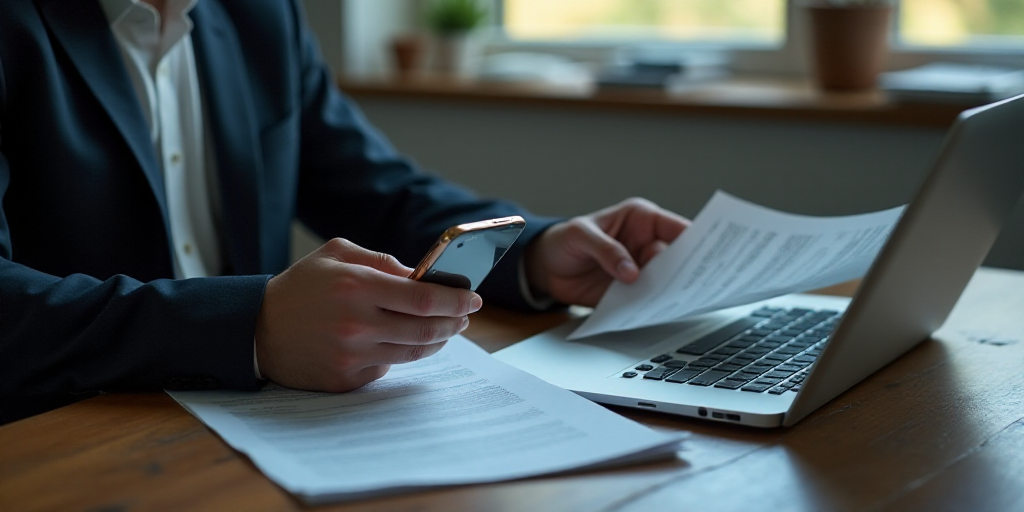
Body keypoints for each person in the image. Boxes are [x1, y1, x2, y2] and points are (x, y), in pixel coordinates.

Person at [0, 0, 689, 424]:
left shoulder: (258, 14)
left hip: (255, 425)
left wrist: (538, 251)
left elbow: (373, 188)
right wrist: (253, 326)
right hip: (64, 432)